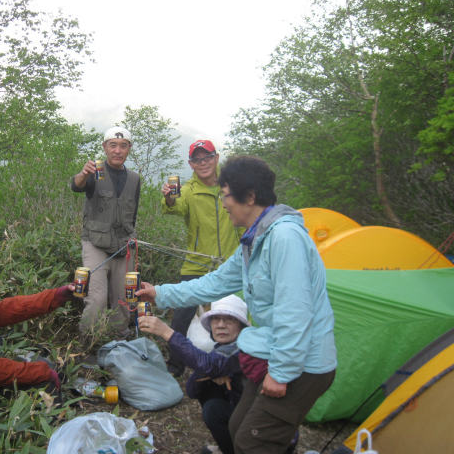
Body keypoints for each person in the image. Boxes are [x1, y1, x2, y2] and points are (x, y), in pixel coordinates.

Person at [136, 155, 337, 454]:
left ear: (250, 196)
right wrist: (160, 294)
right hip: (274, 350)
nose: (224, 203)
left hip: (302, 362)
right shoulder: (254, 240)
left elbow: (295, 312)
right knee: (237, 427)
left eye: (226, 195)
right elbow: (214, 283)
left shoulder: (284, 238)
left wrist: (281, 372)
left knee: (253, 441)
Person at [139, 295, 267, 454]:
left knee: (213, 409)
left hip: (264, 427)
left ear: (241, 326)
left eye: (229, 320)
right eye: (216, 319)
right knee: (211, 401)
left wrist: (167, 333)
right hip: (242, 415)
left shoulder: (241, 349)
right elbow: (193, 389)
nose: (221, 325)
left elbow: (207, 365)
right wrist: (212, 375)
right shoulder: (222, 348)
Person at [161, 139, 242, 376]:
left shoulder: (230, 187)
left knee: (234, 314)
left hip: (230, 262)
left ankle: (232, 363)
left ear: (216, 158)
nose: (203, 163)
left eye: (207, 157)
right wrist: (168, 198)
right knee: (181, 316)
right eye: (197, 159)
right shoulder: (188, 191)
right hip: (196, 263)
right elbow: (175, 207)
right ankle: (175, 365)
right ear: (191, 164)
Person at [70, 126, 141, 338]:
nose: (118, 151)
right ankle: (87, 339)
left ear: (128, 149)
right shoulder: (94, 171)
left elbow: (133, 212)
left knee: (125, 296)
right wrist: (83, 173)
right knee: (97, 298)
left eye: (123, 146)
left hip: (124, 244)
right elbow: (75, 186)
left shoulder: (135, 179)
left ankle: (119, 335)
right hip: (95, 243)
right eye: (113, 145)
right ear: (105, 147)